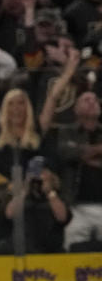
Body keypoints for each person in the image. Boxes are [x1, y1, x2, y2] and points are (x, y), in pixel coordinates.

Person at [59, 91, 102, 250]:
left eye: (95, 100)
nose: (92, 102)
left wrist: (83, 154)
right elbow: (66, 153)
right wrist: (98, 150)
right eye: (86, 100)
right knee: (73, 245)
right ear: (76, 109)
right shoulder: (66, 132)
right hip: (76, 206)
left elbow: (76, 153)